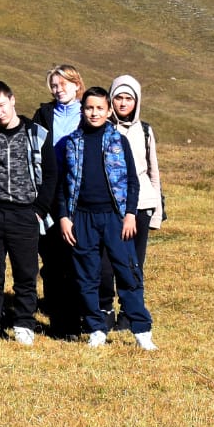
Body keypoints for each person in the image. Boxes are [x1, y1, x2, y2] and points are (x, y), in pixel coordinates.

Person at [57, 87, 156, 350]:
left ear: (108, 110)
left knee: (127, 272)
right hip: (82, 218)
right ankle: (96, 328)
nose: (94, 113)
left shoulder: (118, 140)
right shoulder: (71, 142)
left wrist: (130, 214)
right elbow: (62, 186)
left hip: (115, 217)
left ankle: (141, 329)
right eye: (89, 108)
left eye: (100, 108)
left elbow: (132, 181)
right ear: (83, 110)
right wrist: (64, 217)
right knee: (87, 276)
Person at [0, 80, 55, 346]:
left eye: (2, 105)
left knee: (25, 274)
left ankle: (24, 324)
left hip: (26, 214)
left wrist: (39, 210)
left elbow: (51, 175)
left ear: (12, 100)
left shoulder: (37, 133)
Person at [101, 74, 163, 331]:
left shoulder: (145, 130)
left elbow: (153, 172)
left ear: (136, 102)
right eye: (118, 97)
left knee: (134, 262)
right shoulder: (102, 127)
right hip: (110, 206)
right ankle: (104, 309)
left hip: (141, 206)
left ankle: (130, 311)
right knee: (105, 262)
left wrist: (156, 213)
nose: (123, 103)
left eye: (128, 98)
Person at [33, 64, 85, 337]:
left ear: (77, 84)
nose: (58, 89)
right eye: (54, 85)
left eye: (64, 83)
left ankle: (77, 321)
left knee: (76, 261)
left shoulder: (89, 113)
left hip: (80, 198)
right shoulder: (43, 115)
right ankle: (56, 321)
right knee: (51, 262)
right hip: (50, 196)